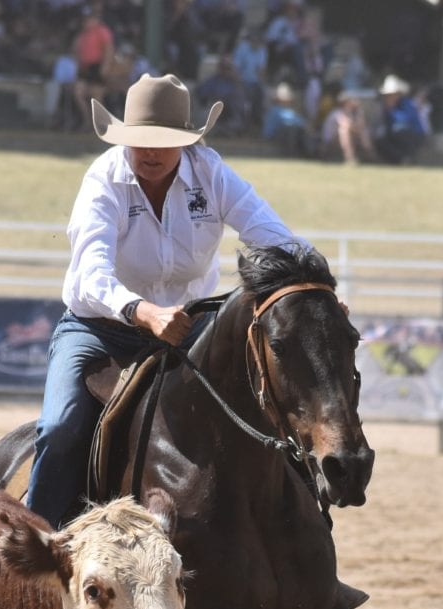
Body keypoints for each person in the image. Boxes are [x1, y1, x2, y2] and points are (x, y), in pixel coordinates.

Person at [23, 72, 301, 530]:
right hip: (100, 330)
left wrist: (316, 286)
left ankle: (295, 537)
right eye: (140, 141)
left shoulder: (211, 172)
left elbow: (272, 236)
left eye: (163, 142)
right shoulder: (103, 180)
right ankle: (38, 540)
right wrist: (142, 312)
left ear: (185, 142)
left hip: (190, 331)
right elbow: (91, 272)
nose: (149, 152)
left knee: (272, 410)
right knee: (60, 425)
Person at [374, 73, 425, 164]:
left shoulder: (407, 104)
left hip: (414, 134)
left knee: (400, 133)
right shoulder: (387, 108)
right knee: (380, 141)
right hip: (396, 135)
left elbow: (406, 121)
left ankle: (408, 158)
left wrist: (391, 111)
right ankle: (402, 160)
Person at [320, 90, 373, 165]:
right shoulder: (336, 113)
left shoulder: (354, 113)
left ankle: (370, 154)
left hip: (349, 139)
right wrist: (357, 128)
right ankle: (349, 157)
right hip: (330, 143)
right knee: (344, 131)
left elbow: (362, 125)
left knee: (363, 131)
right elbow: (346, 125)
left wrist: (359, 113)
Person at [261, 80, 308, 156]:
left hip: (289, 134)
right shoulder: (275, 110)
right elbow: (286, 121)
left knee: (297, 129)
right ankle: (291, 152)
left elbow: (301, 123)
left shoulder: (290, 111)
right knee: (291, 128)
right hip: (277, 135)